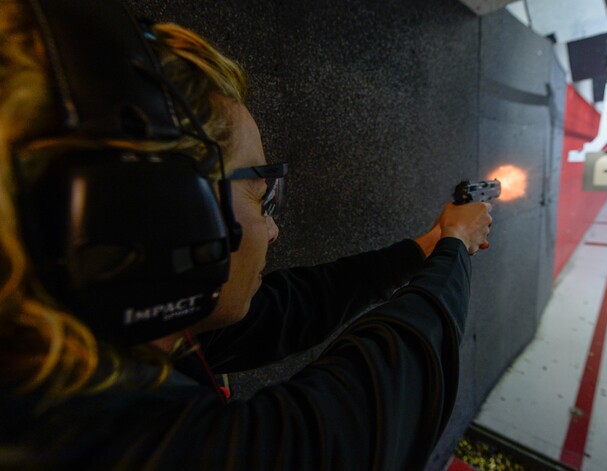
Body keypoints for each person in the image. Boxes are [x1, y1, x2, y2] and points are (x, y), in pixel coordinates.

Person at [0, 1, 493, 469]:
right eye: (259, 192)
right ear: (156, 214)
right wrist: (456, 247)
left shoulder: (75, 353)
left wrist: (425, 249)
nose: (272, 229)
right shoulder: (96, 442)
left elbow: (288, 310)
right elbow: (366, 418)